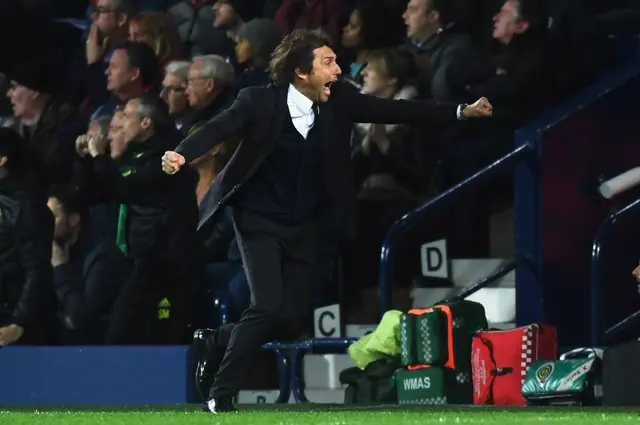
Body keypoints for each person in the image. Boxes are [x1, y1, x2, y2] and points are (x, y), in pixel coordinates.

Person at [161, 28, 492, 413]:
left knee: (290, 320)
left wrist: (459, 110)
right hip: (258, 219)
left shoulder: (341, 102)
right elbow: (219, 127)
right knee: (266, 305)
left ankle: (217, 340)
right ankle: (222, 392)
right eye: (329, 62)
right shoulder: (258, 101)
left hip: (305, 223)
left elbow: (398, 111)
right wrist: (182, 154)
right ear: (302, 72)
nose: (339, 70)